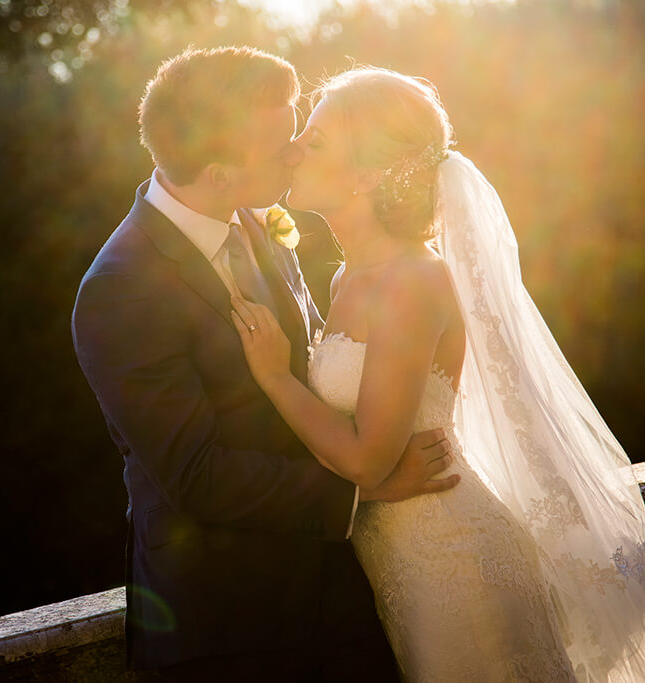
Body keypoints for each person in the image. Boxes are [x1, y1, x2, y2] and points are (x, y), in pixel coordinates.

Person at [231, 66, 645, 681]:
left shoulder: (410, 282)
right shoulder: (350, 277)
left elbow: (370, 458)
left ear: (367, 176)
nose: (293, 149)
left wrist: (275, 379)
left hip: (455, 563)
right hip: (401, 561)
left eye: (314, 140)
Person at [71, 47, 458, 682]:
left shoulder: (256, 223)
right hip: (227, 627)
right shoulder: (121, 288)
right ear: (221, 172)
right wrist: (366, 491)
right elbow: (194, 475)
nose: (297, 152)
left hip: (338, 594)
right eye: (283, 142)